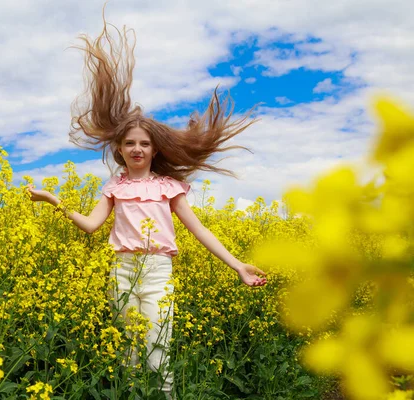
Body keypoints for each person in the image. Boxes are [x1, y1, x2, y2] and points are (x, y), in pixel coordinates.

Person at [27, 18, 267, 400]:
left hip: (157, 272)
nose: (137, 149)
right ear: (119, 149)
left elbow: (199, 229)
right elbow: (90, 226)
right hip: (121, 272)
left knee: (159, 355)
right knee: (130, 357)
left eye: (144, 143)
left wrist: (237, 264)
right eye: (130, 143)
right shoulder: (113, 187)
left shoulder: (168, 187)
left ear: (155, 149)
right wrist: (55, 202)